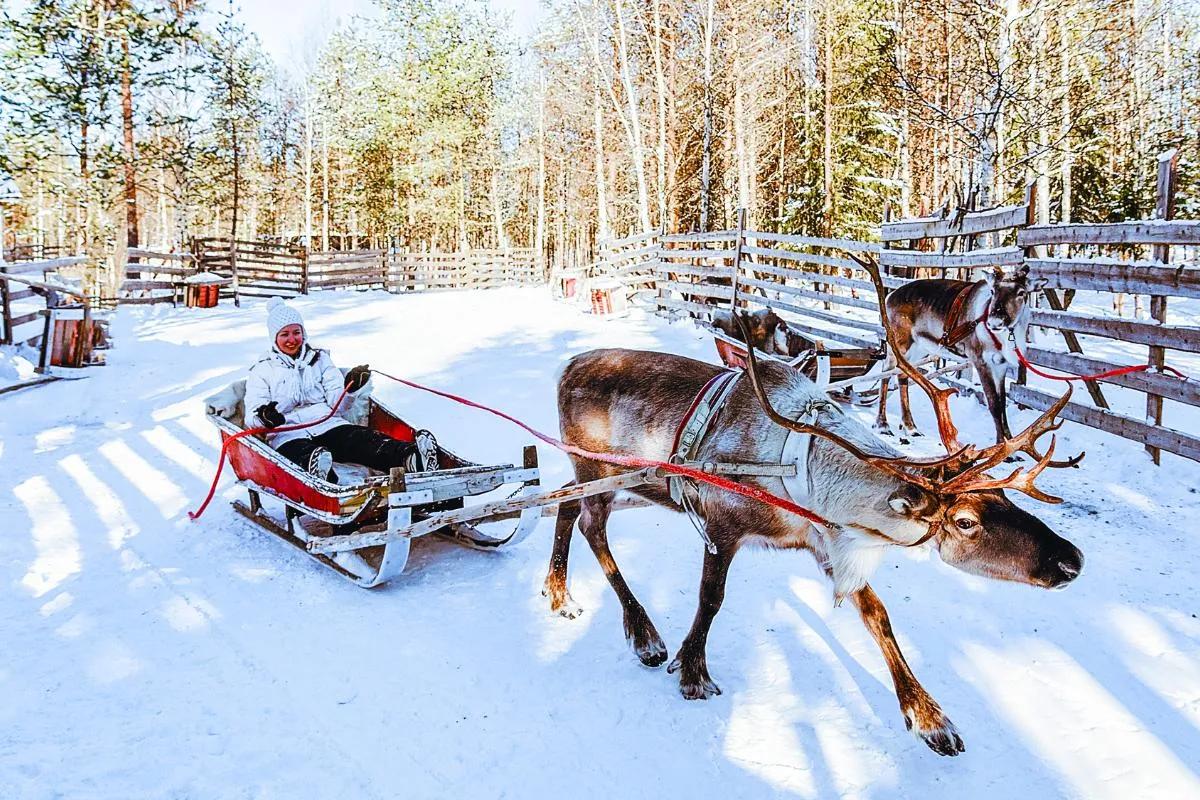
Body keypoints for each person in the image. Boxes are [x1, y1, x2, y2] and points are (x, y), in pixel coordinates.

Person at [244, 297, 439, 482]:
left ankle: (411, 458)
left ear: (303, 333)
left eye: (296, 332)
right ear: (274, 338)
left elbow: (338, 405)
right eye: (284, 334)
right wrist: (266, 417)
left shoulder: (320, 360)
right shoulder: (262, 370)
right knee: (298, 454)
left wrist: (350, 389)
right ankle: (321, 474)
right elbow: (252, 417)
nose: (292, 339)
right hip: (288, 432)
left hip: (327, 423)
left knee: (362, 440)